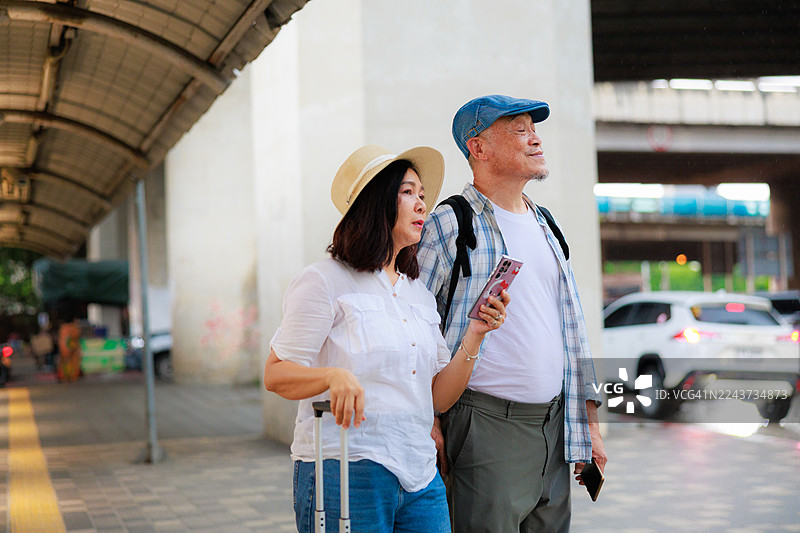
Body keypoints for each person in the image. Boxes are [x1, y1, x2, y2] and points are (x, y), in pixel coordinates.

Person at [263, 144, 510, 533]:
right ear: (375, 202)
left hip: (419, 474)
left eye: (422, 195)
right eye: (408, 192)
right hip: (346, 469)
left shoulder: (419, 294)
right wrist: (331, 378)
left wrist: (475, 336)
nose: (421, 205)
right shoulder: (323, 280)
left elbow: (437, 397)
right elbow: (276, 374)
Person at [417, 95, 608, 533]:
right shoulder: (451, 222)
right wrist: (427, 418)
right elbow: (416, 330)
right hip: (484, 427)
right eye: (519, 130)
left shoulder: (547, 224)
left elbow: (572, 331)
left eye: (534, 129)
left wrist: (590, 425)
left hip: (555, 427)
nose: (535, 139)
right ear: (478, 147)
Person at [57, 314, 82, 382]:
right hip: (71, 347)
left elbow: (61, 339)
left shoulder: (63, 328)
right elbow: (76, 337)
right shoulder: (73, 327)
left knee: (64, 362)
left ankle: (65, 377)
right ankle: (71, 377)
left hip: (64, 348)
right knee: (73, 362)